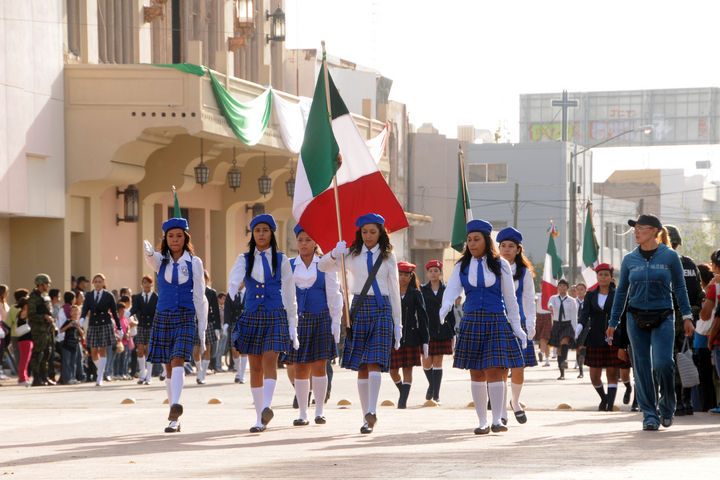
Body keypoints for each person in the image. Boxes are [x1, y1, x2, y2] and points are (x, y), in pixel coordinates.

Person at [439, 220, 527, 434]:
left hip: (496, 320)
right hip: (471, 321)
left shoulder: (501, 264)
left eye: (476, 239)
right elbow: (452, 290)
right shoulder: (461, 265)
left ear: (486, 241)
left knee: (495, 370)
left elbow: (510, 298)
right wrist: (445, 307)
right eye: (469, 240)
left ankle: (497, 419)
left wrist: (517, 327)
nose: (471, 243)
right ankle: (481, 421)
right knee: (476, 373)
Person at [607, 214, 693, 431]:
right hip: (635, 317)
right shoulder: (629, 259)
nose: (636, 232)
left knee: (663, 364)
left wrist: (687, 316)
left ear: (655, 231)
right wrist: (613, 321)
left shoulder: (670, 256)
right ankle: (649, 415)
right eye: (635, 229)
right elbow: (621, 292)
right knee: (642, 368)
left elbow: (680, 287)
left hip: (663, 316)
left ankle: (667, 406)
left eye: (641, 228)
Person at [319, 213, 402, 434]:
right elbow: (322, 266)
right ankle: (366, 417)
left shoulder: (388, 257)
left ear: (381, 233)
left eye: (373, 232)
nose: (368, 236)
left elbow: (394, 290)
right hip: (358, 308)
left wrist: (398, 324)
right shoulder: (351, 254)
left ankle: (372, 410)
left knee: (374, 361)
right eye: (364, 232)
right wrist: (334, 252)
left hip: (382, 308)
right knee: (362, 366)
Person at [228, 214, 298, 433]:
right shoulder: (244, 259)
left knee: (270, 359)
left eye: (265, 230)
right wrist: (233, 288)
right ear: (253, 234)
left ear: (271, 233)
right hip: (252, 314)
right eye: (257, 230)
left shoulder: (282, 259)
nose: (261, 234)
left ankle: (267, 406)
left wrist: (292, 322)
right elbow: (234, 280)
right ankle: (260, 417)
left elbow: (289, 292)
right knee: (255, 366)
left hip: (275, 314)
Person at [144, 212, 208, 433]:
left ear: (185, 238)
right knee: (168, 367)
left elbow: (200, 295)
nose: (174, 240)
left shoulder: (194, 262)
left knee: (178, 358)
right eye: (170, 236)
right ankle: (174, 417)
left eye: (179, 236)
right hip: (163, 316)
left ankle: (176, 406)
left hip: (185, 316)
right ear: (166, 238)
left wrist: (202, 326)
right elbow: (150, 259)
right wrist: (148, 251)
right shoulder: (160, 261)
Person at [284, 224, 342, 425]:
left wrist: (336, 321)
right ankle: (302, 413)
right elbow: (285, 294)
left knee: (319, 365)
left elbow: (334, 294)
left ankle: (319, 411)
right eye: (300, 240)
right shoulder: (289, 265)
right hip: (298, 320)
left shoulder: (326, 264)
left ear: (315, 242)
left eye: (308, 240)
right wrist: (288, 321)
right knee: (300, 366)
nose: (303, 244)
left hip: (321, 318)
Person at [497, 227, 537, 424]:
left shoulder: (524, 272)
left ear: (518, 249)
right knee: (501, 369)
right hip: (498, 321)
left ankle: (515, 402)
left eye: (511, 246)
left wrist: (530, 323)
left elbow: (529, 298)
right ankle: (501, 410)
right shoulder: (493, 268)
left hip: (519, 322)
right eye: (503, 246)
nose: (506, 249)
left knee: (519, 367)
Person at [664, 225, 704, 416]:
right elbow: (699, 294)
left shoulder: (661, 263)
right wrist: (692, 314)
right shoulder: (689, 264)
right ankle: (685, 401)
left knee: (669, 361)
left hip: (668, 319)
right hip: (688, 319)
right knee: (686, 358)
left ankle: (676, 402)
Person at [577, 264, 624, 411]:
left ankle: (610, 405)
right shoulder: (590, 294)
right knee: (594, 376)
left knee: (612, 373)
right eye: (600, 275)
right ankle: (604, 398)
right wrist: (579, 326)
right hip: (595, 337)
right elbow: (584, 314)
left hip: (613, 337)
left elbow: (622, 315)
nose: (603, 277)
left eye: (606, 275)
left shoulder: (617, 294)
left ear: (611, 277)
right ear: (596, 277)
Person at [390, 262, 429, 409]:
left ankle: (402, 402)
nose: (402, 277)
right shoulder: (391, 291)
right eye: (400, 274)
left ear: (411, 276)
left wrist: (425, 340)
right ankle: (403, 391)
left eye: (406, 275)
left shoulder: (415, 293)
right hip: (394, 336)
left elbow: (423, 317)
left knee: (407, 369)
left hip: (411, 336)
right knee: (393, 371)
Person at [420, 260, 456, 404]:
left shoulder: (447, 289)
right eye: (431, 271)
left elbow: (451, 311)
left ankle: (436, 395)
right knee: (426, 362)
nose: (433, 274)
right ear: (427, 273)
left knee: (437, 362)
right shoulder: (423, 289)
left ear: (440, 273)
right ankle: (432, 385)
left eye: (436, 271)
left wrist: (452, 331)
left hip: (442, 328)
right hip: (427, 329)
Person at [80, 273, 121, 386]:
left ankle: (99, 378)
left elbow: (114, 312)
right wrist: (82, 318)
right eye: (96, 281)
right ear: (93, 283)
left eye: (100, 281)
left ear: (103, 283)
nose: (98, 283)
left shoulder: (108, 295)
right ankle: (101, 370)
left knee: (102, 350)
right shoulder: (89, 295)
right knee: (93, 352)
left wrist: (119, 327)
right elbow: (85, 308)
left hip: (105, 324)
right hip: (93, 324)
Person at [695, 262, 718, 411]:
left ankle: (706, 406)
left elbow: (705, 315)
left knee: (705, 378)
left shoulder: (710, 291)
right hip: (707, 339)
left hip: (705, 339)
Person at [28, 274, 56, 386]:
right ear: (40, 284)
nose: (48, 285)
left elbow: (49, 312)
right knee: (37, 354)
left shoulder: (45, 297)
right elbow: (31, 315)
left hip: (47, 329)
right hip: (38, 330)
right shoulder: (33, 298)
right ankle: (36, 378)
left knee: (46, 353)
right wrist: (43, 317)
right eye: (46, 283)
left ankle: (44, 377)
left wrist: (51, 322)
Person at [130, 275, 157, 385]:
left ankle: (149, 376)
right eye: (144, 282)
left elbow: (158, 311)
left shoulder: (156, 297)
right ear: (142, 284)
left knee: (149, 351)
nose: (146, 285)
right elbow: (134, 309)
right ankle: (142, 374)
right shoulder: (137, 297)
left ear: (152, 284)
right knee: (140, 350)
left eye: (148, 282)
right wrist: (128, 314)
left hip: (152, 326)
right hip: (141, 325)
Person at [194, 270, 219, 385]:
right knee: (196, 351)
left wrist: (217, 327)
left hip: (208, 323)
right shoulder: (193, 291)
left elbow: (216, 310)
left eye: (204, 278)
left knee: (206, 349)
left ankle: (203, 374)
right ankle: (199, 370)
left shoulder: (211, 292)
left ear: (207, 279)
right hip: (195, 322)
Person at [7, 289, 31, 386]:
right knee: (23, 359)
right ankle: (22, 378)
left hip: (18, 336)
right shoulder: (24, 312)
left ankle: (24, 376)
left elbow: (9, 322)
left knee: (22, 358)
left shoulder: (13, 308)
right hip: (24, 337)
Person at [58, 304, 84, 384]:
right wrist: (69, 325)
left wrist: (78, 327)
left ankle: (72, 377)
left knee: (73, 362)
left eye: (77, 312)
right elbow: (61, 330)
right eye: (73, 312)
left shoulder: (78, 323)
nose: (75, 313)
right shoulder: (68, 321)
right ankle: (67, 379)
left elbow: (82, 333)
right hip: (67, 345)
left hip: (75, 345)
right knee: (67, 362)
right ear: (70, 313)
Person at [574, 282, 588, 376]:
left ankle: (581, 370)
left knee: (583, 346)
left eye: (581, 289)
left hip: (586, 325)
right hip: (575, 325)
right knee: (578, 348)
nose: (579, 291)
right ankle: (579, 366)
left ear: (585, 290)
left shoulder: (588, 301)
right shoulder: (573, 301)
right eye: (578, 289)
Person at [534, 294, 552, 367]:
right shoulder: (538, 295)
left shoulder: (551, 295)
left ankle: (541, 353)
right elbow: (534, 299)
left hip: (548, 316)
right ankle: (547, 360)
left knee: (544, 337)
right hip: (539, 316)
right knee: (545, 340)